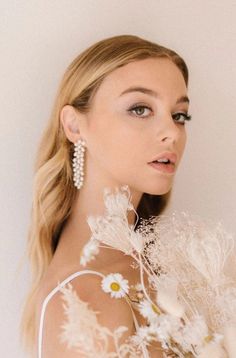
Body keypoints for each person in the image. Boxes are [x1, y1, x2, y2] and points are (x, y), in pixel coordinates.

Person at [20, 34, 191, 357]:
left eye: (179, 115)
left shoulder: (168, 264)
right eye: (140, 109)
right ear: (74, 125)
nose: (171, 131)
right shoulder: (78, 297)